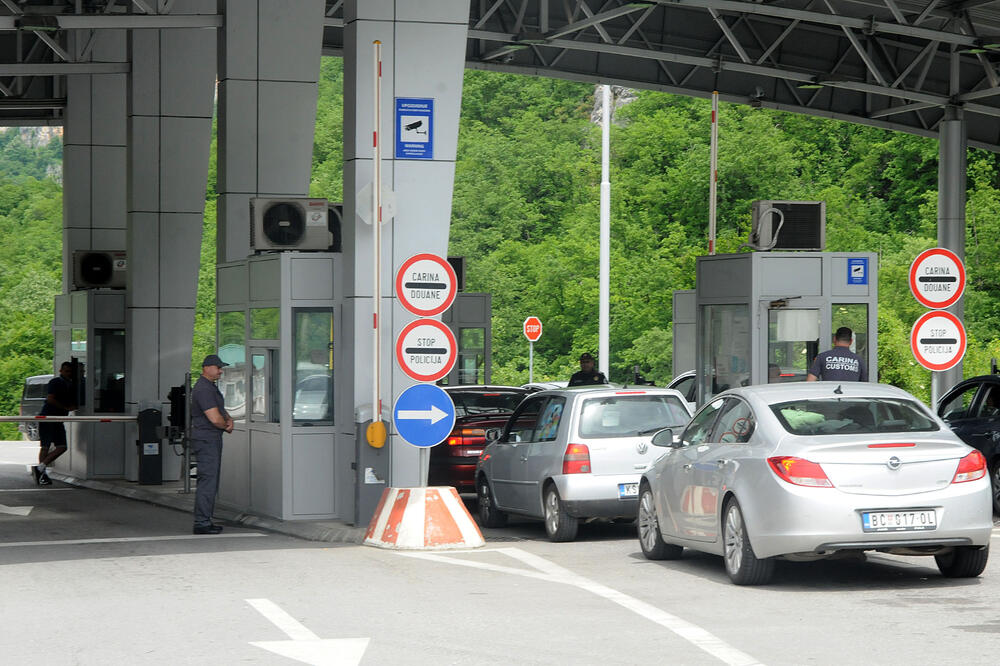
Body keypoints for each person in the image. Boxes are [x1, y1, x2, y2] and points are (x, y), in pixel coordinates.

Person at [190, 354, 234, 535]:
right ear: (206, 368)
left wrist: (229, 419)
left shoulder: (210, 387)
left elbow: (220, 412)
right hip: (207, 439)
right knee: (208, 480)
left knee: (210, 479)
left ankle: (205, 519)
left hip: (210, 438)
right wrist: (226, 426)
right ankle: (202, 522)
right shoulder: (204, 389)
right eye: (218, 367)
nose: (220, 371)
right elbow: (214, 418)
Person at [32, 361, 76, 485]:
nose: (68, 374)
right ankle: (42, 473)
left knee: (62, 446)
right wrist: (65, 408)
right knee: (45, 446)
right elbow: (50, 398)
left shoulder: (72, 385)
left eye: (70, 372)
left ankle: (40, 468)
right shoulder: (56, 382)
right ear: (61, 371)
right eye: (66, 371)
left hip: (58, 419)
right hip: (48, 417)